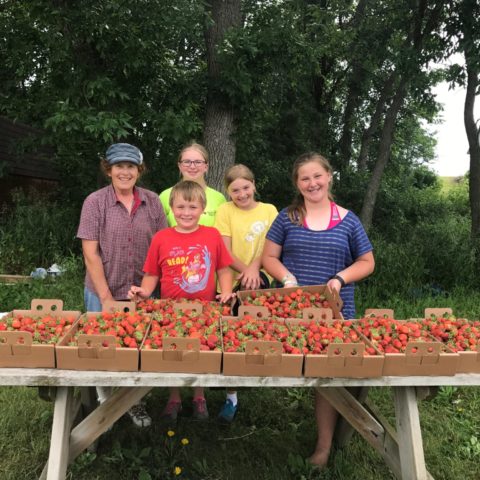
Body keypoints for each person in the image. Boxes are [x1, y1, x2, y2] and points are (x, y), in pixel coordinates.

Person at [262, 152, 375, 467]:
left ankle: (324, 447)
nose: (312, 183)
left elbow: (367, 262)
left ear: (329, 176)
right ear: (297, 184)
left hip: (336, 312)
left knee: (328, 376)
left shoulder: (348, 220)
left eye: (317, 176)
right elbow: (268, 257)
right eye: (304, 178)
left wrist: (340, 278)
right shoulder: (288, 217)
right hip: (294, 310)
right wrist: (286, 278)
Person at [77, 142, 168, 428]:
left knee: (137, 351)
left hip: (142, 291)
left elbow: (163, 246)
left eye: (131, 166)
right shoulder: (95, 202)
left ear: (139, 171)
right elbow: (90, 253)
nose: (125, 172)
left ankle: (132, 402)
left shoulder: (152, 201)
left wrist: (150, 289)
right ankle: (105, 405)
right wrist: (105, 297)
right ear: (109, 170)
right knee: (102, 350)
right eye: (119, 166)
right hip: (103, 289)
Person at [129, 180, 234, 422]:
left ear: (203, 208)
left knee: (201, 352)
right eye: (181, 207)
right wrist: (144, 293)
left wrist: (226, 291)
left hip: (205, 308)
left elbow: (224, 269)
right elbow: (153, 273)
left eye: (193, 207)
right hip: (170, 309)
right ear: (171, 208)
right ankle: (174, 397)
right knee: (173, 353)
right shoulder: (161, 238)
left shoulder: (212, 235)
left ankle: (199, 396)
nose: (186, 213)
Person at [214, 164, 278, 422]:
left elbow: (273, 247)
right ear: (228, 192)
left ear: (254, 185)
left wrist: (254, 269)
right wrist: (246, 271)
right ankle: (231, 395)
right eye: (235, 190)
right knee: (229, 338)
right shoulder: (224, 211)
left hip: (261, 277)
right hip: (231, 278)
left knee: (256, 333)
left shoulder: (269, 210)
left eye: (245, 187)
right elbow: (225, 252)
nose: (241, 194)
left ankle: (263, 380)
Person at [159, 141, 226, 226]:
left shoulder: (219, 198)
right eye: (187, 162)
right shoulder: (165, 196)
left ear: (206, 166)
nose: (192, 166)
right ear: (179, 166)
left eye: (198, 162)